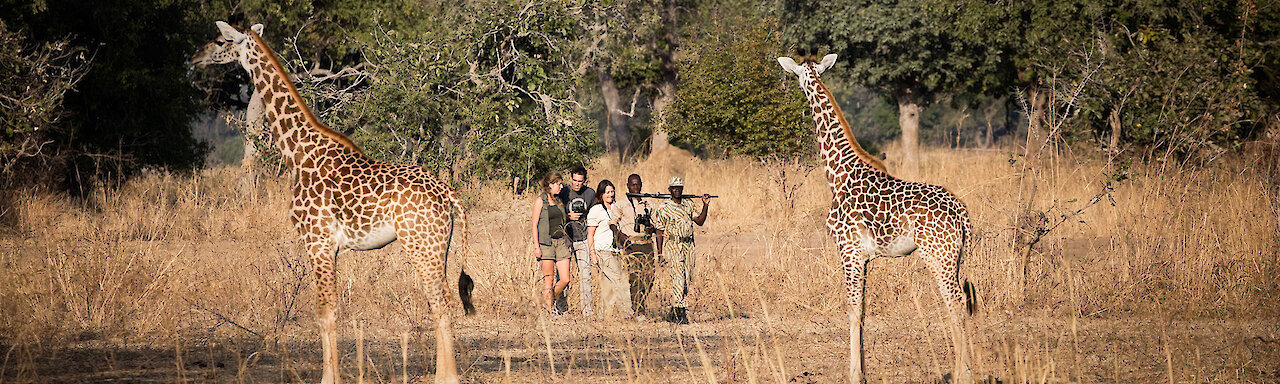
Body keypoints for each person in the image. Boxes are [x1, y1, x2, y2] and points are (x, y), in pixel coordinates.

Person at [652, 176, 709, 324]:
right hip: (673, 245)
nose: (677, 191)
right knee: (678, 278)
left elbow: (700, 221)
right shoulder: (664, 208)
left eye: (680, 188)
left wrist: (705, 205)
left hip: (688, 245)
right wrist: (660, 253)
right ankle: (680, 313)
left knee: (687, 278)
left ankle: (674, 309)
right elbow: (659, 231)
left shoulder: (688, 204)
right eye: (674, 188)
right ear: (669, 190)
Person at [609, 174, 657, 319]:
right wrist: (620, 235)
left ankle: (640, 303)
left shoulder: (647, 203)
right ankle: (638, 311)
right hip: (631, 244)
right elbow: (612, 222)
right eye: (633, 185)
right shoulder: (622, 204)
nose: (635, 187)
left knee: (649, 277)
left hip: (646, 243)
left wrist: (651, 228)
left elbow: (656, 224)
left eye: (638, 185)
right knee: (635, 277)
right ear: (628, 185)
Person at [586, 179, 633, 319]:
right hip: (602, 250)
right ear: (601, 194)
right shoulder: (596, 210)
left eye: (612, 192)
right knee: (620, 279)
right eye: (607, 192)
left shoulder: (617, 207)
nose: (611, 195)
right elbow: (590, 234)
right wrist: (592, 254)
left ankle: (604, 316)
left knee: (608, 285)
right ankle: (628, 314)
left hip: (616, 250)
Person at [530, 171, 572, 315]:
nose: (560, 187)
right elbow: (534, 224)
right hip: (546, 243)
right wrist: (536, 246)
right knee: (549, 279)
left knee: (565, 279)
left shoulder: (560, 200)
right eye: (558, 184)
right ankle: (549, 311)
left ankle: (550, 299)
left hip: (561, 242)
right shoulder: (540, 201)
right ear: (550, 185)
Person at [558, 165, 596, 317]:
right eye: (574, 180)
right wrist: (567, 217)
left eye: (580, 181)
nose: (577, 184)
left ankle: (587, 311)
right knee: (562, 276)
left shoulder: (590, 193)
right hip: (565, 239)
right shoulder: (564, 192)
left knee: (585, 275)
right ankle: (560, 309)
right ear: (571, 178)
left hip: (582, 238)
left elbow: (594, 214)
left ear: (584, 180)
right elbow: (554, 213)